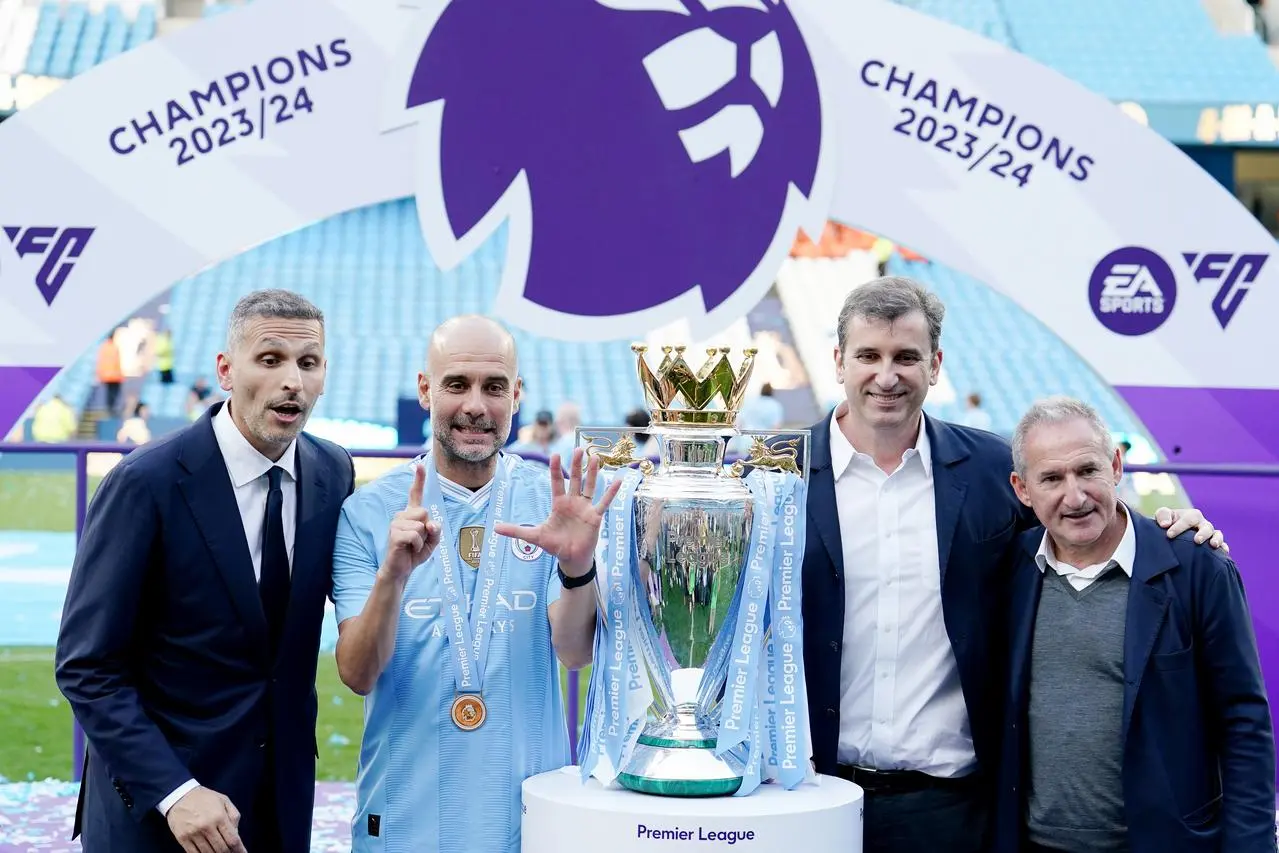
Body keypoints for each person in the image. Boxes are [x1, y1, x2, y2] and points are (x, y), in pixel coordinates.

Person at [800, 277, 1224, 853]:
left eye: (907, 357)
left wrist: (1170, 531)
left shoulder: (991, 469)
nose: (887, 375)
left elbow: (1079, 529)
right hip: (813, 794)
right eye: (868, 356)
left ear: (936, 364)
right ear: (838, 361)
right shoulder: (779, 474)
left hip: (951, 808)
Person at [54, 290, 355, 853]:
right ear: (225, 370)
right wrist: (174, 791)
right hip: (160, 815)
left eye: (308, 363)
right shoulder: (145, 483)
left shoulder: (331, 471)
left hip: (279, 806)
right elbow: (87, 666)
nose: (292, 379)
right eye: (270, 360)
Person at [332, 315, 617, 853]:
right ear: (425, 389)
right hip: (403, 818)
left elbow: (575, 654)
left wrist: (578, 569)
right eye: (457, 385)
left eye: (494, 387)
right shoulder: (368, 513)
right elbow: (357, 673)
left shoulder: (550, 506)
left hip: (528, 819)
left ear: (517, 394)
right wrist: (392, 577)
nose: (476, 406)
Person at [994, 397, 1274, 853]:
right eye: (1052, 478)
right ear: (1023, 490)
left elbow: (1243, 723)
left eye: (1088, 471)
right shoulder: (1010, 569)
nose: (1076, 496)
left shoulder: (1197, 569)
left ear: (1116, 465)